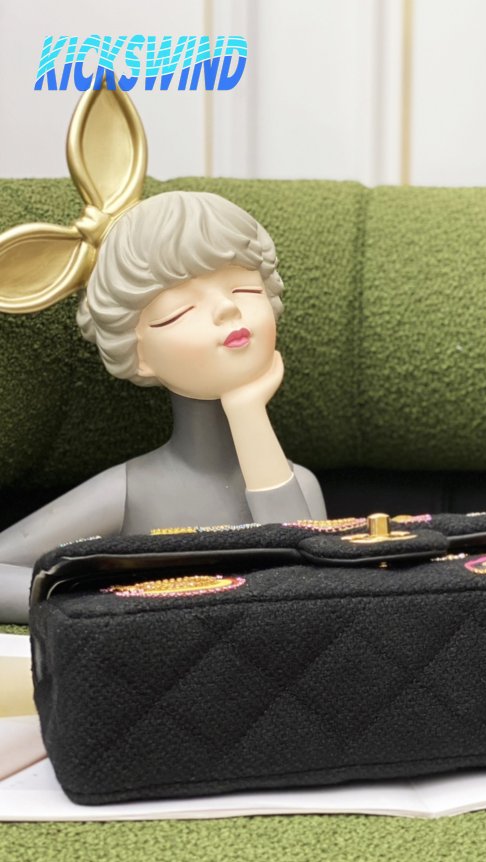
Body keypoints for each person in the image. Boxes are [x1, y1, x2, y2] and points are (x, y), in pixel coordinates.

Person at [0, 93, 325, 624]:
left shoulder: (299, 485)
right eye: (181, 310)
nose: (226, 310)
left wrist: (247, 413)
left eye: (244, 290)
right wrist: (121, 598)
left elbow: (306, 588)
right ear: (138, 354)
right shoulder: (132, 492)